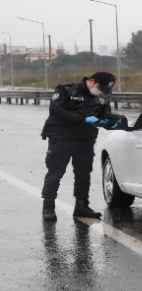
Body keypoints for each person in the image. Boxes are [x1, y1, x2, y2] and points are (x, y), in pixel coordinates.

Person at [41, 71, 123, 221]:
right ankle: (48, 207)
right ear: (91, 81)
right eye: (100, 87)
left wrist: (108, 121)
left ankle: (81, 206)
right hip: (61, 137)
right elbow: (56, 110)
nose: (102, 92)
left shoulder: (102, 96)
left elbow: (105, 114)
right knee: (55, 172)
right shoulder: (66, 90)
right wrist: (83, 119)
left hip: (85, 139)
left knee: (83, 173)